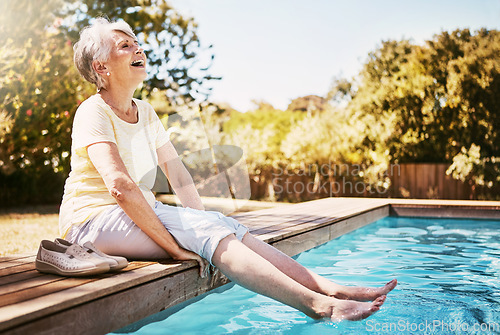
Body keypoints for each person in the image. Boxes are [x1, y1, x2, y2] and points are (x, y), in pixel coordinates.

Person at [59, 17, 396, 322]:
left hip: (135, 215)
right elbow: (120, 186)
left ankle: (328, 288)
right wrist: (179, 247)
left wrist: (201, 223)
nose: (139, 48)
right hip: (91, 222)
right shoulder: (93, 111)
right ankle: (319, 305)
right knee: (208, 233)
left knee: (223, 224)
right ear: (101, 66)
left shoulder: (145, 112)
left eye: (137, 42)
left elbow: (178, 175)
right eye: (125, 45)